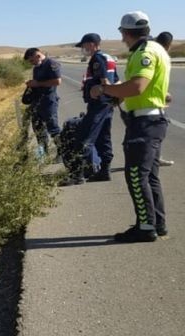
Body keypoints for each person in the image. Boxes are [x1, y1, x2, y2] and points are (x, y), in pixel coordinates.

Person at [90, 11, 171, 242]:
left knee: (136, 175)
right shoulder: (158, 50)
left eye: (123, 34)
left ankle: (145, 227)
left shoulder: (144, 53)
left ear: (125, 32)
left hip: (144, 124)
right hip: (153, 120)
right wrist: (118, 95)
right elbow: (151, 87)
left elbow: (137, 87)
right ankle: (157, 223)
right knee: (150, 175)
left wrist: (104, 89)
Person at [60, 33, 120, 186]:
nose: (83, 49)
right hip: (107, 104)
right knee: (103, 138)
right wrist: (114, 98)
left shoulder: (98, 59)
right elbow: (117, 81)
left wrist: (100, 91)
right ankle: (104, 171)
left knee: (83, 137)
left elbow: (104, 81)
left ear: (92, 44)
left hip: (99, 104)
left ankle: (77, 175)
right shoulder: (109, 58)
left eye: (84, 46)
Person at [23, 48, 62, 160]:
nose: (32, 63)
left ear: (37, 55)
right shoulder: (37, 67)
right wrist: (32, 84)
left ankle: (62, 152)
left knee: (53, 129)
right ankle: (43, 154)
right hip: (37, 102)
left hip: (48, 102)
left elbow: (57, 81)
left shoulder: (51, 64)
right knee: (38, 129)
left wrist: (38, 84)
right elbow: (37, 84)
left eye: (32, 61)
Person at [155, 31, 175, 167]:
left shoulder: (155, 53)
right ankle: (154, 159)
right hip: (153, 101)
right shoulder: (159, 55)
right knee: (157, 133)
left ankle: (155, 157)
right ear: (169, 44)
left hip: (155, 99)